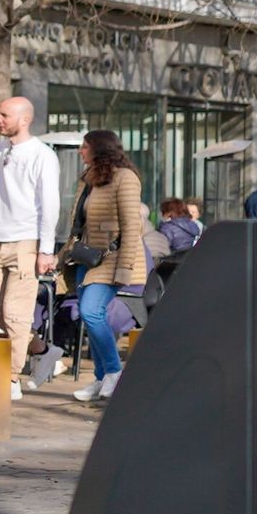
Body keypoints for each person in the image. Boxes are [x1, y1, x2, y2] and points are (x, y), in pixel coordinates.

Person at [0, 96, 60, 400]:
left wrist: (46, 249)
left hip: (26, 241)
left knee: (16, 314)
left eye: (4, 115)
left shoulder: (42, 155)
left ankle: (10, 376)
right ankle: (42, 349)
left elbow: (49, 204)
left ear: (24, 119)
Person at [68, 129, 145, 403]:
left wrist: (125, 267)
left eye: (84, 146)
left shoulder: (125, 178)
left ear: (99, 148)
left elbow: (131, 225)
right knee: (88, 315)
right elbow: (79, 222)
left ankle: (114, 371)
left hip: (112, 258)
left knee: (91, 312)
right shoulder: (89, 178)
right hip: (86, 257)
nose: (80, 151)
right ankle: (101, 377)